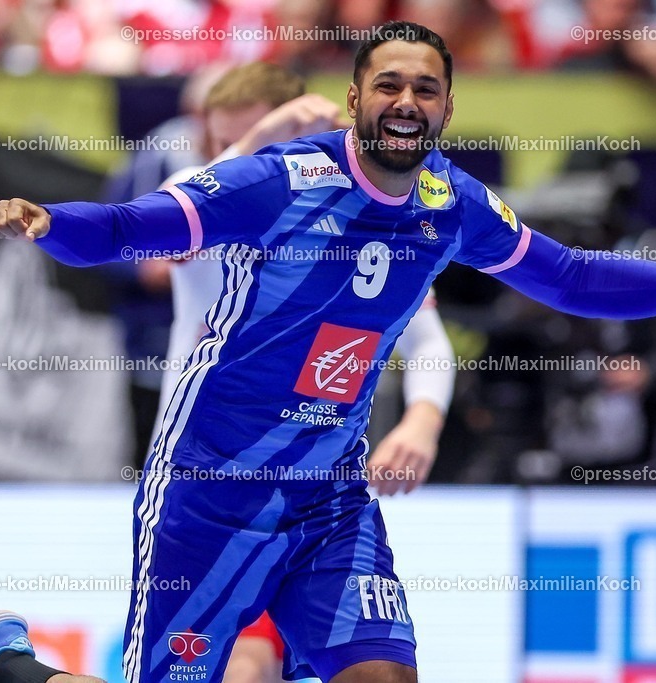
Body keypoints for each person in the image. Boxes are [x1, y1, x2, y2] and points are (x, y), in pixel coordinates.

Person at [0, 20, 656, 683]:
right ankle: (7, 668)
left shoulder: (453, 202)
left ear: (448, 104)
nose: (407, 102)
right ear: (359, 98)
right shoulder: (279, 180)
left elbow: (573, 278)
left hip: (330, 498)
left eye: (426, 88)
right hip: (211, 490)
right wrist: (48, 222)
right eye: (389, 85)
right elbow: (139, 226)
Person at [158, 63, 456, 683]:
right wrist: (260, 144)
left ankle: (9, 671)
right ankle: (12, 672)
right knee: (245, 670)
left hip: (318, 491)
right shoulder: (202, 190)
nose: (227, 157)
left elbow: (426, 339)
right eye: (218, 143)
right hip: (211, 483)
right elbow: (173, 237)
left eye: (247, 142)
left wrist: (422, 422)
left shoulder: (357, 217)